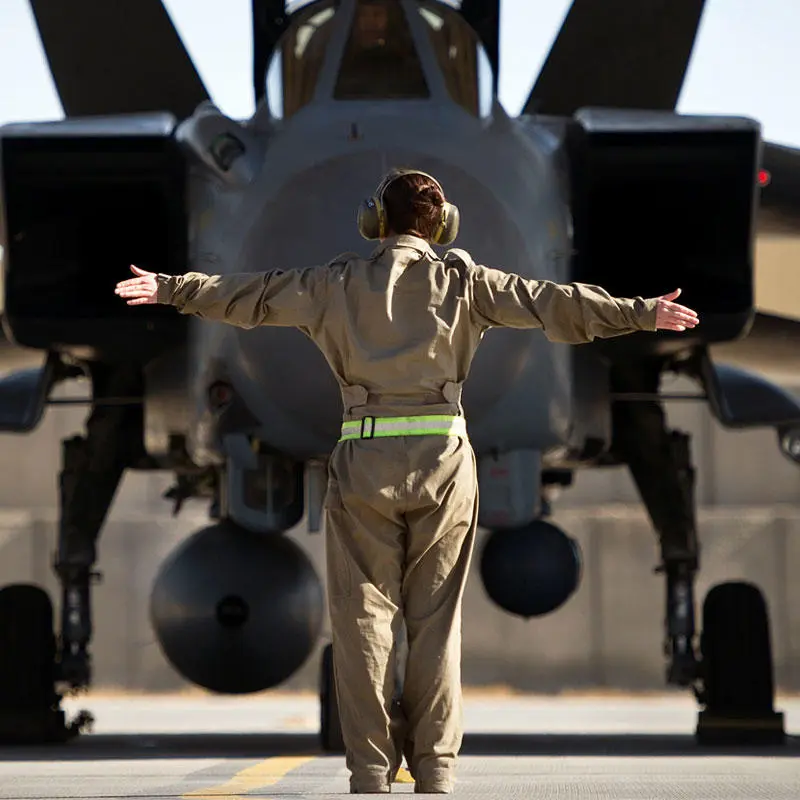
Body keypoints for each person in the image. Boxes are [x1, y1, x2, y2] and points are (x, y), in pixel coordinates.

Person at [115, 168, 699, 794]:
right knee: (436, 624)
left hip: (364, 459)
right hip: (444, 463)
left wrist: (170, 289)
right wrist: (643, 313)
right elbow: (553, 303)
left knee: (363, 621)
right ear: (442, 226)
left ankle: (370, 772)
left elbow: (249, 296)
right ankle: (436, 770)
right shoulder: (464, 282)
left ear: (375, 222)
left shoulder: (333, 284)